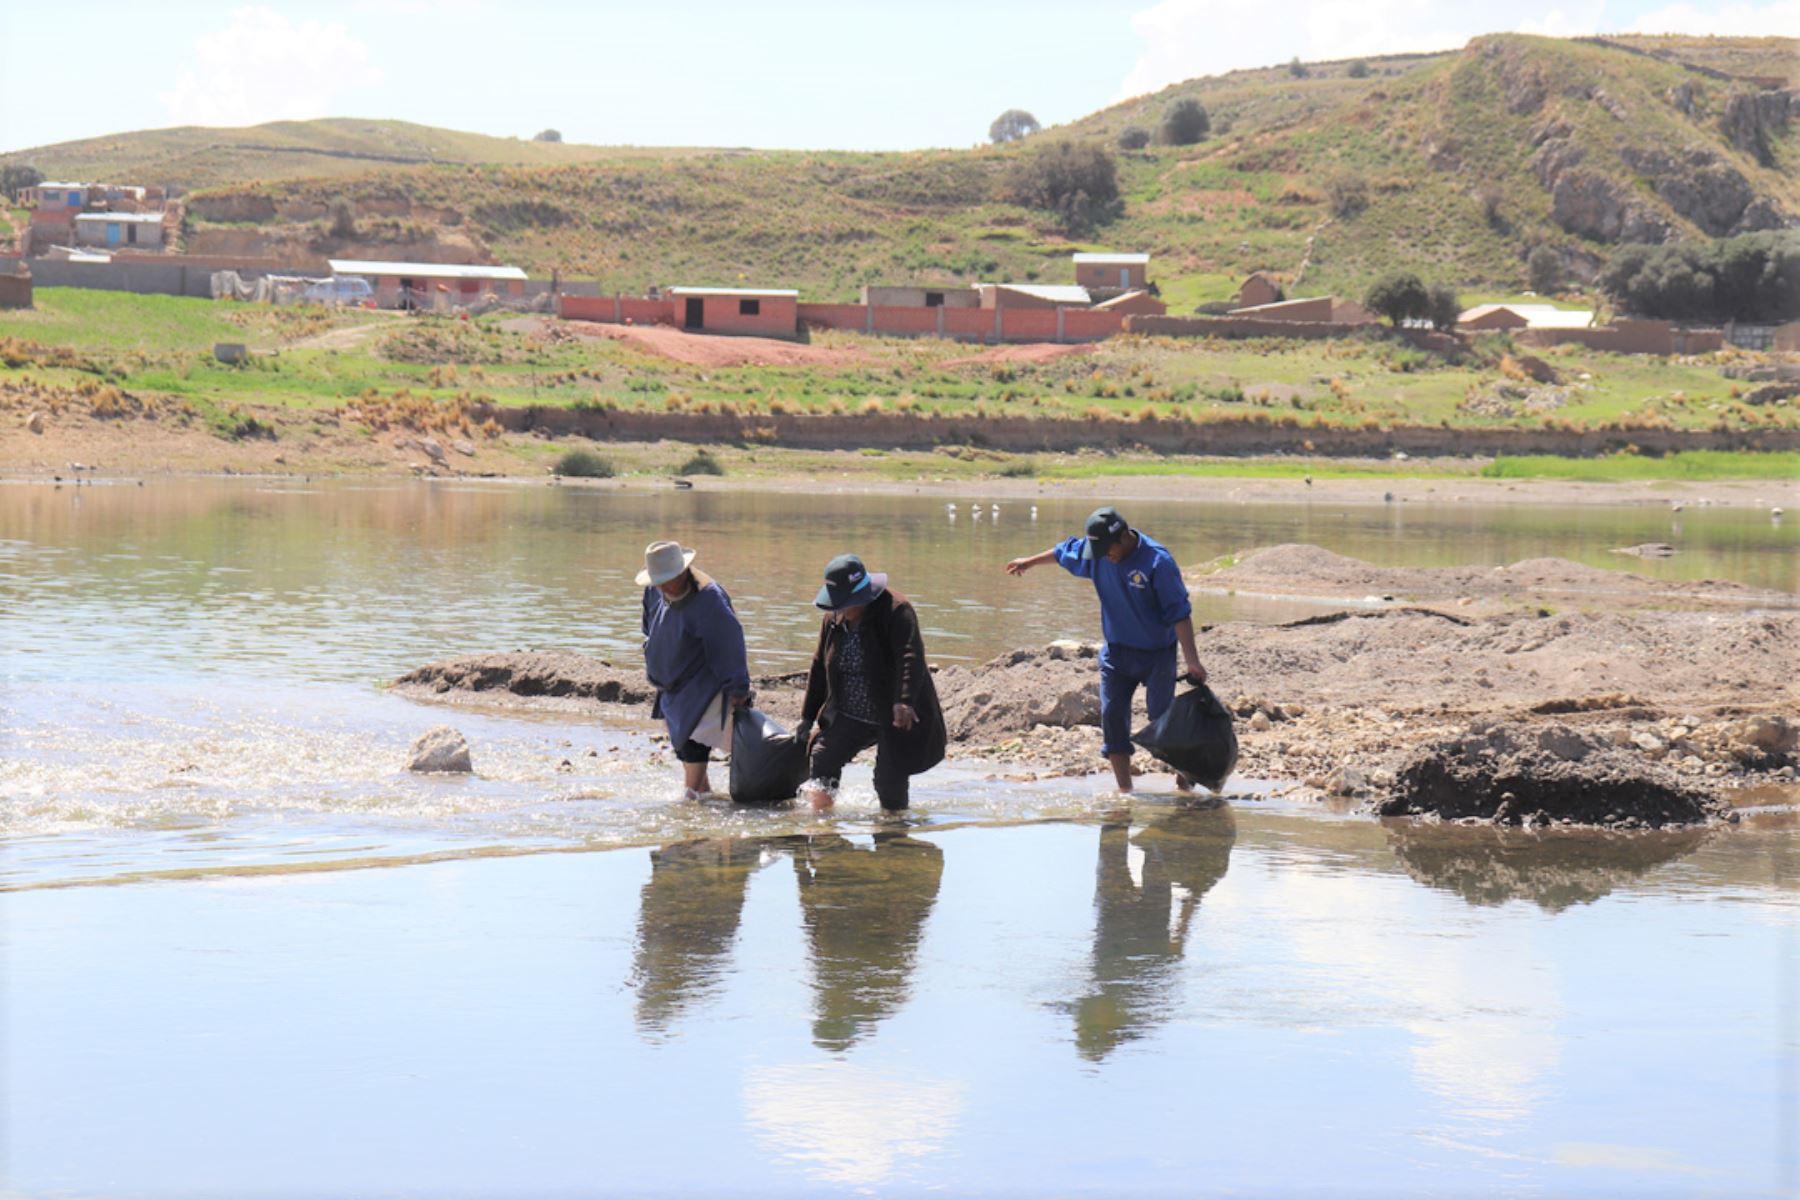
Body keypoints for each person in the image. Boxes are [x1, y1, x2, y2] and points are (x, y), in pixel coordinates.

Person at [1005, 506, 1208, 792]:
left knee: (1161, 719)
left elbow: (1180, 613)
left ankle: (1184, 779)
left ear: (1124, 538)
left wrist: (1192, 661)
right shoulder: (1098, 555)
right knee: (1112, 717)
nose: (1104, 558)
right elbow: (1064, 551)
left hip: (1157, 654)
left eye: (1107, 550)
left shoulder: (1157, 562)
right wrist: (1029, 562)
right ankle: (1125, 793)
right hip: (1116, 654)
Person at [798, 554, 946, 811]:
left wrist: (904, 701)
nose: (841, 610)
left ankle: (895, 834)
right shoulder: (833, 618)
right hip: (851, 712)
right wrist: (807, 717)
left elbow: (910, 656)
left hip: (891, 712)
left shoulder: (895, 609)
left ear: (863, 595)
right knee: (824, 755)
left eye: (846, 604)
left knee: (889, 778)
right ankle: (822, 826)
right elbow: (819, 666)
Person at [639, 539, 751, 799]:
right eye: (659, 581)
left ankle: (690, 807)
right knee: (684, 749)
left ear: (683, 572)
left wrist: (738, 688)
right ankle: (705, 798)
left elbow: (729, 643)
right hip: (671, 687)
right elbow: (649, 627)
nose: (664, 586)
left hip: (702, 684)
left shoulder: (709, 598)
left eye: (670, 579)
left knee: (694, 745)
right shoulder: (653, 591)